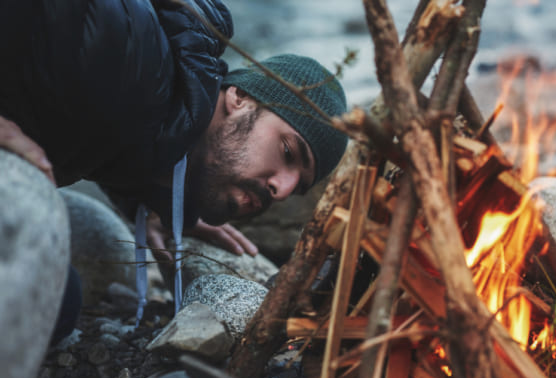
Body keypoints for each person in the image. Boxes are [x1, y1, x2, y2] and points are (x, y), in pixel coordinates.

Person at [0, 0, 348, 341]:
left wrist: (153, 194)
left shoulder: (142, 102)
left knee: (55, 299)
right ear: (239, 99)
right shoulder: (127, 45)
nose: (283, 190)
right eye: (287, 151)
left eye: (298, 186)